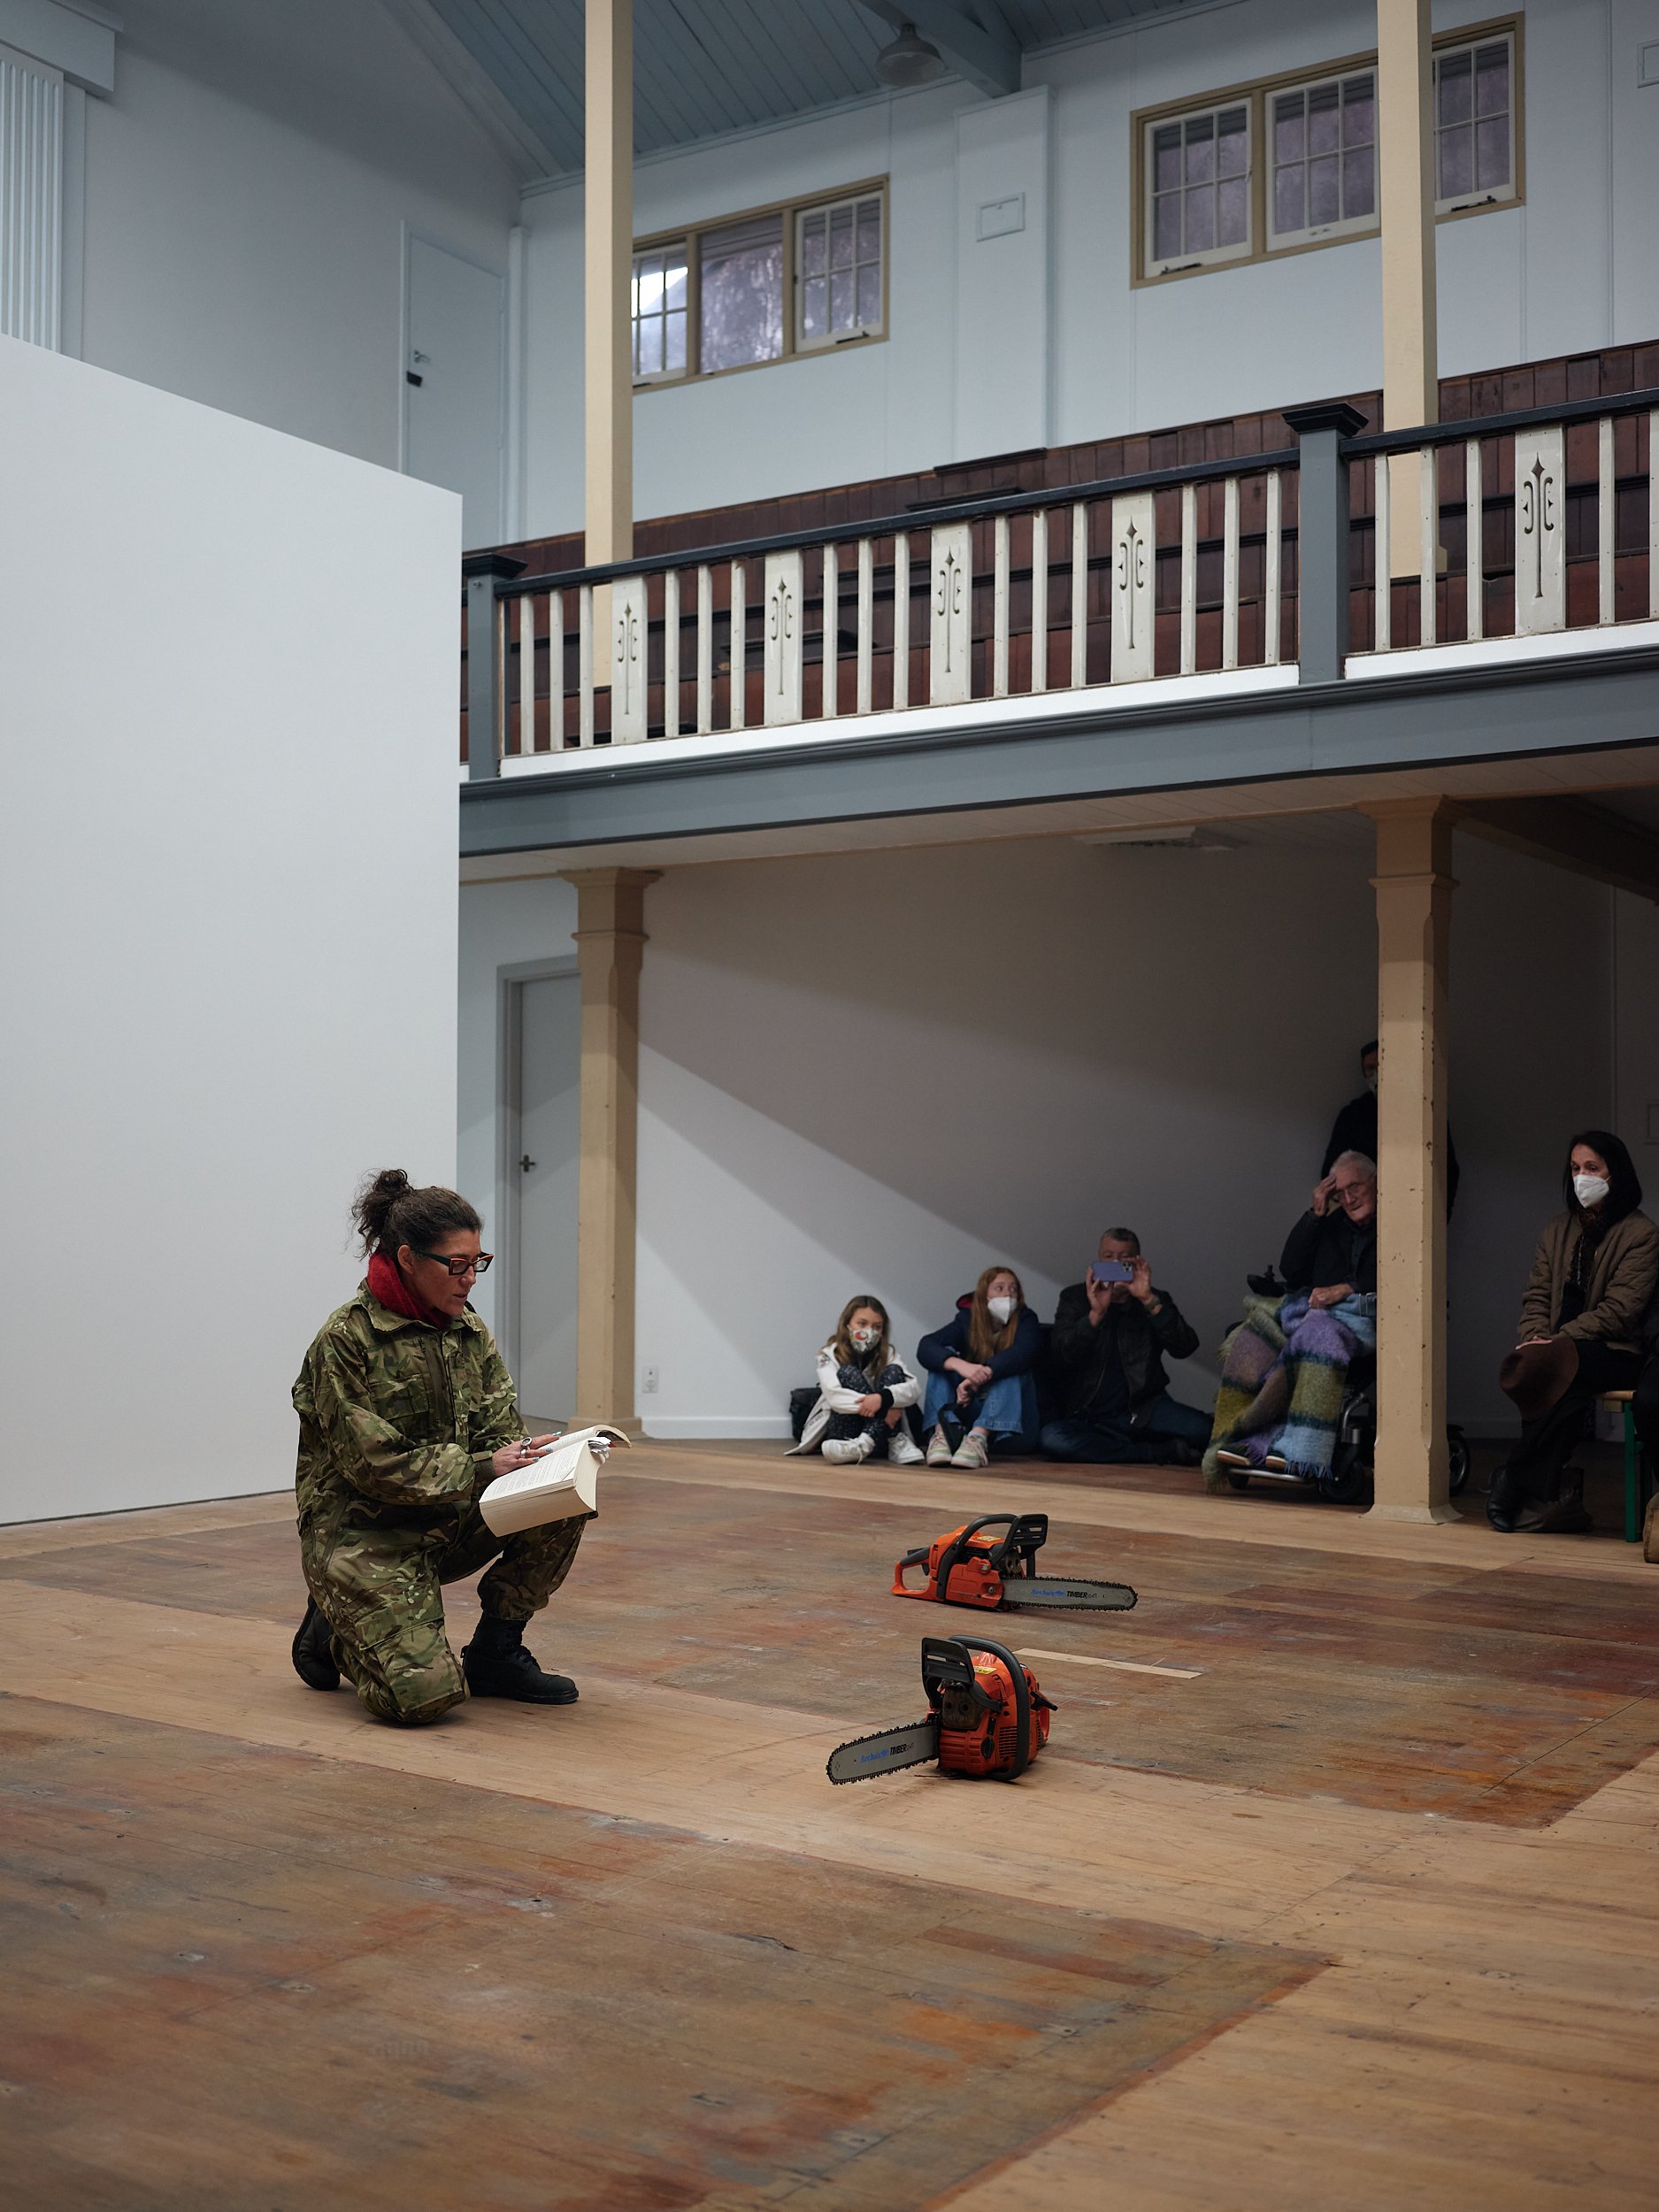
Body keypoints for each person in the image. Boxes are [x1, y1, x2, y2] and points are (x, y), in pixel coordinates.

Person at [288, 1169, 594, 1726]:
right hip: (366, 1531)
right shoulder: (346, 1341)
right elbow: (372, 1466)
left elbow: (497, 1427)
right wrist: (484, 1466)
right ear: (408, 1259)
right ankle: (332, 1623)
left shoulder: (467, 1330)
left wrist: (532, 1457)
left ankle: (496, 1653)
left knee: (560, 1498)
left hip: (448, 1513)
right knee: (422, 1700)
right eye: (456, 1265)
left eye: (478, 1263)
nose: (470, 1278)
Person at [1488, 1132, 1659, 1534]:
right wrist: (1534, 1337)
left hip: (1616, 1352)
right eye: (1575, 1168)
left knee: (1556, 1367)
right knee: (1561, 1384)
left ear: (1614, 1174)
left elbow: (1620, 1312)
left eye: (1592, 1168)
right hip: (1561, 1353)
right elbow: (1535, 1296)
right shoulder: (1556, 1230)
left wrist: (1556, 1343)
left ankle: (1513, 1480)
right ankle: (1534, 1491)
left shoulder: (1642, 1235)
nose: (1581, 1176)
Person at [1205, 1153, 1379, 1489]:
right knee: (1250, 1337)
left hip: (1363, 1320)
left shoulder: (1398, 1222)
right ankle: (1240, 1434)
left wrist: (1345, 1289)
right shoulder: (1331, 1225)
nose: (1348, 1198)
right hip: (1315, 1315)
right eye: (1338, 1193)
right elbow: (1293, 1270)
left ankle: (1293, 1446)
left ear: (1376, 1181)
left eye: (1354, 1186)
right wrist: (1316, 1214)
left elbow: (1402, 1273)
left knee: (1316, 1334)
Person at [1041, 1228, 1210, 1465]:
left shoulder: (1154, 1298)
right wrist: (1095, 1315)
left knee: (1203, 1431)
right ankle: (1154, 1452)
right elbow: (1062, 1356)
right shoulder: (1075, 1297)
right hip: (1090, 1413)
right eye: (1108, 1257)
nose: (1116, 1263)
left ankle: (1129, 1447)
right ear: (1099, 1259)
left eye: (1125, 1258)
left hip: (1145, 1409)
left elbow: (1185, 1347)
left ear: (1138, 1262)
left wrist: (1149, 1301)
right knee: (1053, 1439)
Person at [918, 1266, 1041, 1470]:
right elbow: (926, 1346)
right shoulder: (966, 1320)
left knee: (1009, 1368)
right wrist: (961, 1366)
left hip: (1012, 1428)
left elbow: (1024, 1352)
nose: (1007, 1294)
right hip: (970, 1416)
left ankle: (978, 1437)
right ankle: (944, 1435)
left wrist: (980, 1375)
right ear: (984, 1295)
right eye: (999, 1288)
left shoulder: (1027, 1320)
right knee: (942, 1360)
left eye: (1013, 1289)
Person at [1324, 1039, 1460, 1214]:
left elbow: (1448, 1169)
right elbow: (1330, 1172)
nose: (1377, 1074)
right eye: (1370, 1068)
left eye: (1381, 1065)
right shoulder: (1352, 1115)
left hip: (1413, 1213)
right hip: (1363, 1221)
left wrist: (1440, 1216)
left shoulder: (1423, 1111)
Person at [788, 1294, 924, 1466]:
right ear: (847, 1324)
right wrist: (884, 1411)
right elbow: (835, 1397)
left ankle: (870, 1442)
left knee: (894, 1371)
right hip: (845, 1434)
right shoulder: (828, 1355)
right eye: (862, 1324)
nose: (869, 1331)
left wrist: (882, 1398)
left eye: (877, 1327)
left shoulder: (889, 1354)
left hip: (880, 1439)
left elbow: (914, 1389)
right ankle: (864, 1442)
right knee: (847, 1372)